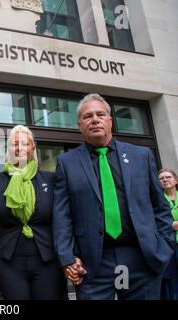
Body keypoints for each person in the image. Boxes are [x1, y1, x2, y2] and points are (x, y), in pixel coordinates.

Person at [53, 93, 174, 300]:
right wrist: (67, 257)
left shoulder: (141, 156)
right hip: (94, 263)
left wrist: (163, 245)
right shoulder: (66, 162)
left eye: (100, 114)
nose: (95, 119)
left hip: (142, 257)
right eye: (88, 116)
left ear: (110, 120)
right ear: (79, 125)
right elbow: (62, 215)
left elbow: (160, 206)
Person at [0, 125, 67, 300]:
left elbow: (61, 221)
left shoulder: (50, 179)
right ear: (9, 150)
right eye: (14, 144)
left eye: (25, 143)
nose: (19, 148)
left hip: (47, 259)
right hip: (8, 261)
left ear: (32, 149)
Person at [158, 168, 178, 300]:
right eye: (161, 178)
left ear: (176, 180)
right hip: (168, 245)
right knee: (171, 278)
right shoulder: (156, 201)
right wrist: (170, 225)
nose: (165, 180)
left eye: (168, 177)